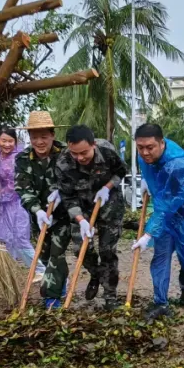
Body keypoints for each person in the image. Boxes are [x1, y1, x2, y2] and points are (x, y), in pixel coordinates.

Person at [132, 123, 184, 320]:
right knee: (161, 256)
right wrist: (147, 181)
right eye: (140, 147)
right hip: (166, 210)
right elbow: (160, 194)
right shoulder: (144, 157)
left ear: (162, 143)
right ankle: (160, 302)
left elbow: (168, 206)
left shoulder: (178, 166)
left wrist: (148, 234)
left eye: (150, 147)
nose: (145, 152)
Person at [55, 124, 127, 309]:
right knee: (81, 249)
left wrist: (107, 187)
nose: (80, 158)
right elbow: (68, 197)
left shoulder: (107, 150)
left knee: (107, 251)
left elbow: (121, 171)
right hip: (82, 207)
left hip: (110, 204)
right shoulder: (63, 162)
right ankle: (96, 274)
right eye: (75, 153)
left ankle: (110, 296)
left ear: (93, 144)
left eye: (84, 153)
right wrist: (81, 221)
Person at [14, 111, 72, 308]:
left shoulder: (66, 153)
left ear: (52, 135)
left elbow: (74, 180)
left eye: (44, 137)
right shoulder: (23, 158)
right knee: (45, 255)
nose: (39, 142)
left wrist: (62, 192)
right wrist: (37, 210)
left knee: (57, 253)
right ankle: (60, 284)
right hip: (38, 217)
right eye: (34, 137)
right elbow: (23, 188)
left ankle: (51, 300)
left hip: (63, 215)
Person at [0, 126, 35, 267]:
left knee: (20, 237)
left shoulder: (18, 158)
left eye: (11, 141)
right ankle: (7, 270)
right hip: (4, 204)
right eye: (4, 141)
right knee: (4, 238)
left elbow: (17, 182)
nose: (7, 144)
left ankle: (39, 269)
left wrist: (1, 193)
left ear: (15, 142)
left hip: (18, 202)